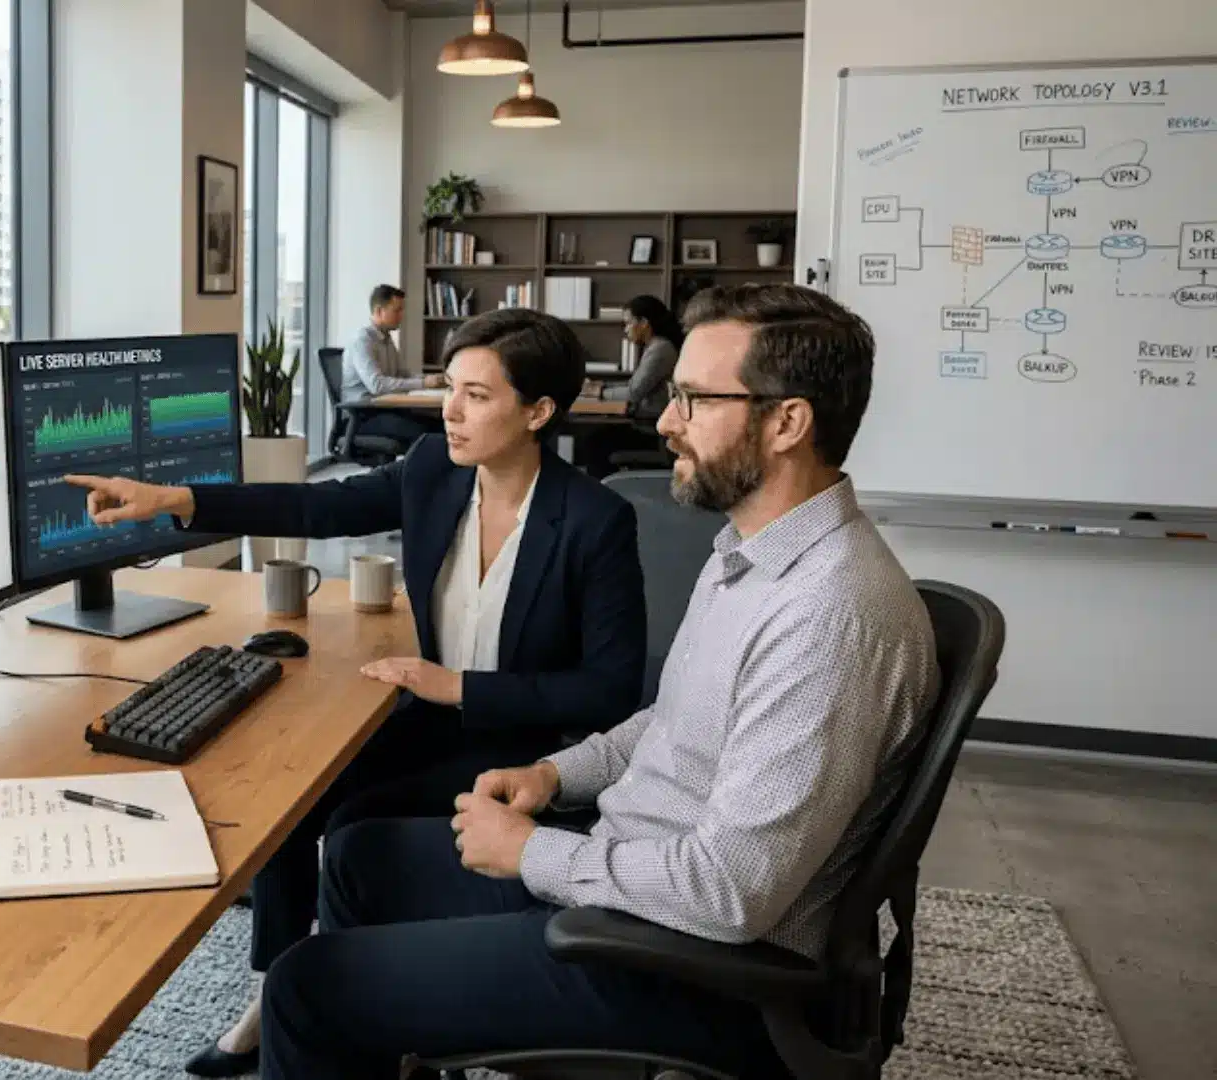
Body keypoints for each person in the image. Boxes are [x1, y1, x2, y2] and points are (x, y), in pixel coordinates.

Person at [257, 283, 941, 1080]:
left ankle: (362, 1023)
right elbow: (667, 721)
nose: (664, 421)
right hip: (632, 875)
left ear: (787, 421)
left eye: (692, 399)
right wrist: (554, 775)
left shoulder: (829, 616)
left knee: (308, 989)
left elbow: (730, 894)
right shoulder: (749, 558)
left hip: (687, 964)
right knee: (358, 858)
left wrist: (533, 853)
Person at [65, 307, 647, 1077]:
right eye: (450, 387)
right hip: (435, 722)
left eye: (477, 395)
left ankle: (348, 997)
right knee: (293, 792)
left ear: (538, 412)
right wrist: (177, 500)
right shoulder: (437, 471)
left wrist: (457, 685)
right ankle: (275, 985)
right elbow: (315, 507)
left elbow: (609, 692)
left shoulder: (596, 520)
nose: (450, 409)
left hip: (526, 748)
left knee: (352, 820)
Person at [340, 284, 445, 446]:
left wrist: (430, 379)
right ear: (379, 311)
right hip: (362, 417)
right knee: (424, 433)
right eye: (397, 310)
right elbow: (377, 385)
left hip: (386, 411)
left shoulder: (386, 339)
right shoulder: (362, 341)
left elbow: (401, 375)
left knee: (440, 425)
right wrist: (424, 383)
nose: (401, 315)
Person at [603, 294, 684, 421]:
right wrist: (603, 385)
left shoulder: (660, 349)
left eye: (628, 323)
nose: (625, 330)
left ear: (644, 323)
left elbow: (634, 393)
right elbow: (633, 385)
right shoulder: (654, 346)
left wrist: (600, 393)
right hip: (647, 418)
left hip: (651, 422)